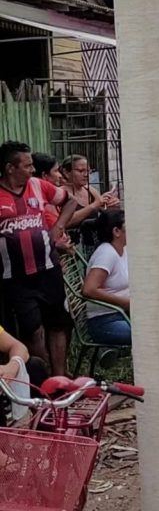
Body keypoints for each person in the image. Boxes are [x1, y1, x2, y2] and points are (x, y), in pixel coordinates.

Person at [0, 141, 77, 377]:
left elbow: (69, 201)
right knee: (32, 329)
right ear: (10, 168)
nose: (32, 169)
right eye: (27, 165)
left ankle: (61, 379)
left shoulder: (38, 186)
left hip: (48, 269)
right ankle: (42, 382)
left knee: (58, 324)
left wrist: (58, 228)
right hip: (14, 277)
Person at [81, 209, 131, 346]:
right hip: (104, 321)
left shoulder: (124, 249)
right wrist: (124, 302)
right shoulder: (107, 254)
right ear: (116, 231)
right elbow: (89, 289)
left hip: (123, 314)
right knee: (147, 333)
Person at [61, 155, 120, 236]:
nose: (86, 175)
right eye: (81, 171)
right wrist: (94, 205)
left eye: (88, 171)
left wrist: (110, 204)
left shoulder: (90, 190)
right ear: (66, 172)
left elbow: (102, 209)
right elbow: (64, 223)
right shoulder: (61, 193)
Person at [32, 153, 63, 230]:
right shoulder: (43, 205)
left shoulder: (54, 197)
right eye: (56, 171)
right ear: (44, 175)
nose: (60, 175)